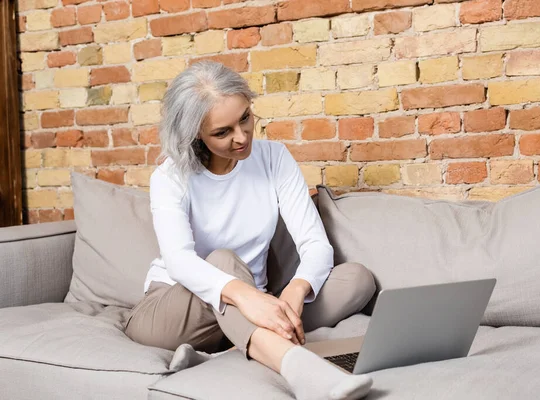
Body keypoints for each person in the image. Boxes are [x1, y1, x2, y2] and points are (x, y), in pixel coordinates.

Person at [124, 61, 377, 400]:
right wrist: (248, 296)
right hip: (171, 308)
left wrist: (295, 292)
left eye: (244, 118)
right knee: (222, 260)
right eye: (222, 132)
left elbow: (315, 243)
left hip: (256, 304)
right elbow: (179, 261)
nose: (242, 137)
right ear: (195, 133)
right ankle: (302, 370)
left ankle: (226, 350)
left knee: (357, 279)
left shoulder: (274, 158)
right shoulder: (170, 178)